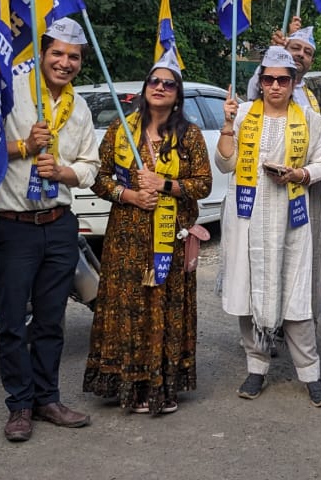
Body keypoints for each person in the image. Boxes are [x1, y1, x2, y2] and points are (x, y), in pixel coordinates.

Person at [0, 18, 100, 442]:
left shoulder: (81, 108)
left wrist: (66, 172)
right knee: (13, 321)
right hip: (13, 226)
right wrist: (25, 148)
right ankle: (19, 406)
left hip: (59, 225)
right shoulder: (10, 92)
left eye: (73, 56)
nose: (64, 62)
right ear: (42, 54)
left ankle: (47, 398)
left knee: (51, 321)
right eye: (57, 53)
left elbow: (91, 165)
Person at [84, 52, 212, 415]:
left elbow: (202, 184)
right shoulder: (121, 130)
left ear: (177, 94)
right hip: (126, 239)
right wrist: (129, 195)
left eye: (168, 84)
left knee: (165, 308)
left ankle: (164, 384)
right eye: (154, 82)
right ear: (144, 89)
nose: (160, 87)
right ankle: (129, 383)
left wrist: (165, 184)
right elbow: (99, 177)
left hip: (169, 239)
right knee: (129, 309)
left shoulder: (189, 135)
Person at [217, 46, 321, 407]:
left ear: (294, 82)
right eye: (268, 79)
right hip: (248, 218)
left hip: (292, 220)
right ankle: (256, 367)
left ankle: (310, 373)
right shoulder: (244, 114)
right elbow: (225, 165)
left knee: (296, 298)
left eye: (283, 79)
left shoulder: (309, 119)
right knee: (248, 292)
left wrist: (299, 173)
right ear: (260, 81)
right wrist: (226, 125)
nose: (275, 86)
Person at [248, 23, 320, 111]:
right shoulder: (269, 83)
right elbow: (257, 82)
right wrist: (275, 54)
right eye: (295, 48)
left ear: (312, 62)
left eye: (307, 52)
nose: (301, 54)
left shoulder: (310, 96)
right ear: (284, 51)